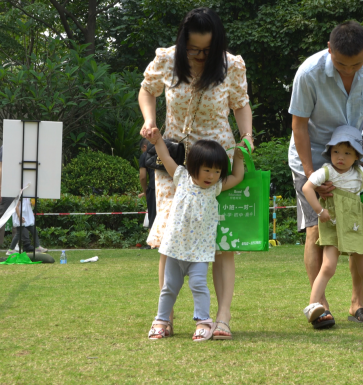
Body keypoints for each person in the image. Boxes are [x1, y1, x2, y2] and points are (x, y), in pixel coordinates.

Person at [139, 7, 253, 339]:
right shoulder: (166, 59)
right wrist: (149, 120)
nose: (200, 56)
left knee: (221, 243)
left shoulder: (232, 65)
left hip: (215, 164)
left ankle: (223, 318)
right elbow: (147, 90)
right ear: (183, 42)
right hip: (173, 160)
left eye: (207, 49)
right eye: (194, 49)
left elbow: (240, 103)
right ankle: (165, 317)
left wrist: (246, 136)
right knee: (167, 238)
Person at [288, 21, 363, 326]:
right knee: (316, 231)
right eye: (341, 64)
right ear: (329, 49)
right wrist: (312, 175)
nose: (349, 71)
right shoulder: (309, 72)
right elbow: (299, 125)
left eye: (356, 64)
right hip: (315, 154)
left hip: (354, 156)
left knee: (357, 230)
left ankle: (357, 305)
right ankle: (319, 305)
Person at [147, 134, 245, 341]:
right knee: (168, 288)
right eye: (207, 169)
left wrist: (239, 157)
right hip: (174, 249)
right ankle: (161, 320)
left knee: (199, 286)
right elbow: (165, 157)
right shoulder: (181, 177)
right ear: (193, 166)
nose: (212, 175)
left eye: (217, 171)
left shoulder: (215, 188)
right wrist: (156, 141)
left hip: (200, 253)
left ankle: (203, 322)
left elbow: (237, 177)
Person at [301, 126, 363, 327]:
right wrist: (319, 211)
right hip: (333, 224)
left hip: (357, 225)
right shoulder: (326, 171)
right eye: (336, 151)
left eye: (347, 153)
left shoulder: (361, 172)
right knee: (328, 267)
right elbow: (307, 188)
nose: (340, 157)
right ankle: (313, 304)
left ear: (356, 155)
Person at [138, 139, 156, 249]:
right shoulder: (165, 152)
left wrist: (145, 190)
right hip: (168, 186)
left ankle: (152, 243)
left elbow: (143, 176)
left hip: (154, 187)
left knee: (153, 214)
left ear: (145, 146)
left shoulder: (145, 155)